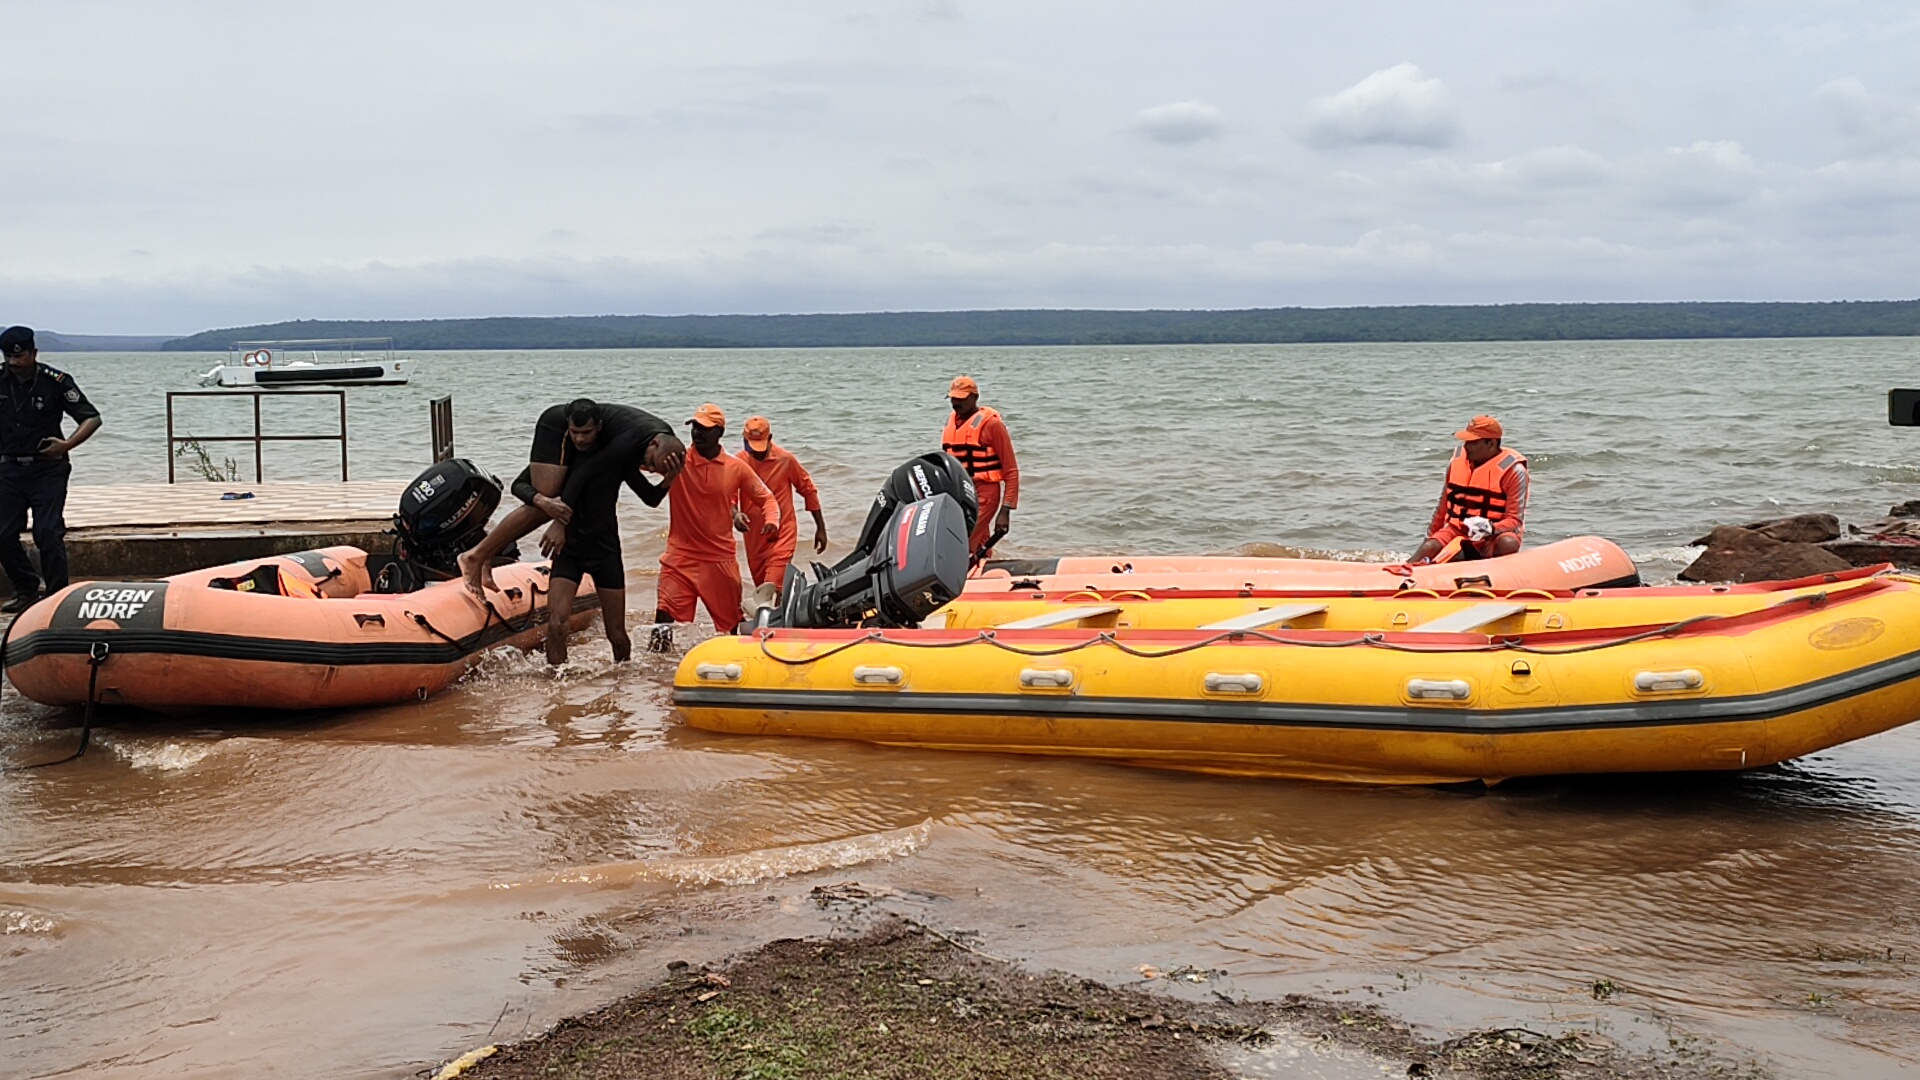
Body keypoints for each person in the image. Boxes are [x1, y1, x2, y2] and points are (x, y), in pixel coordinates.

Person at [460, 399, 684, 594]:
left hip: (586, 433)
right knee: (550, 499)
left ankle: (487, 555)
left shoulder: (655, 444)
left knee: (550, 501)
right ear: (653, 443)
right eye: (652, 464)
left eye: (655, 471)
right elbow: (584, 472)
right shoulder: (629, 442)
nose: (650, 469)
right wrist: (560, 523)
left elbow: (650, 499)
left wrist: (669, 479)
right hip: (558, 426)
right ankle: (475, 556)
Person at [514, 458, 669, 667]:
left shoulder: (616, 459)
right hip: (568, 550)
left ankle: (622, 683)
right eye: (575, 433)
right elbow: (519, 485)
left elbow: (650, 497)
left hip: (605, 553)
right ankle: (556, 688)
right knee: (557, 624)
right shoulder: (561, 462)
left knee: (616, 634)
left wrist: (670, 478)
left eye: (586, 433)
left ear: (598, 428)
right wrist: (542, 501)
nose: (580, 438)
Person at [650, 404, 778, 652]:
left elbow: (767, 498)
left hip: (719, 560)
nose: (697, 433)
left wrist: (771, 520)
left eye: (705, 429)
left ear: (719, 433)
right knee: (663, 625)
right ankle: (655, 684)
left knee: (731, 630)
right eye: (695, 426)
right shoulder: (678, 461)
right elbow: (641, 462)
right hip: (679, 557)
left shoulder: (735, 467)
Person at [0, 327, 102, 613]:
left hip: (48, 468)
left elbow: (92, 418)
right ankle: (27, 588)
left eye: (20, 357)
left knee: (47, 532)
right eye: (8, 357)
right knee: (3, 535)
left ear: (33, 353)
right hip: (9, 469)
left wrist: (67, 444)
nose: (14, 363)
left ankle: (57, 598)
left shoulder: (55, 381)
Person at [1411, 414, 1528, 564]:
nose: (1466, 446)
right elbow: (1442, 507)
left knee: (1508, 543)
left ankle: (1496, 575)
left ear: (1491, 444)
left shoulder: (1514, 471)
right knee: (1430, 546)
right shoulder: (1456, 463)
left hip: (1493, 535)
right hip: (1458, 529)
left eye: (1473, 442)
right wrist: (1430, 538)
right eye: (1466, 441)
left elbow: (1514, 520)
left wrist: (1491, 528)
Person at [738, 415, 826, 604]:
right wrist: (735, 514)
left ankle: (775, 626)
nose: (757, 453)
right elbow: (726, 496)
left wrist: (820, 527)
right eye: (753, 447)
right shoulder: (738, 463)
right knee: (763, 592)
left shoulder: (786, 460)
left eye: (761, 447)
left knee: (771, 586)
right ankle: (785, 621)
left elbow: (807, 489)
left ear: (770, 438)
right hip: (754, 538)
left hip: (783, 533)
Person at [940, 375, 1019, 558]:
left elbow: (1011, 471)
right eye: (953, 398)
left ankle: (956, 574)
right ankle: (983, 571)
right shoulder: (951, 422)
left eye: (961, 398)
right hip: (961, 491)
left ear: (974, 397)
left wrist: (1005, 510)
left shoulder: (992, 425)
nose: (956, 403)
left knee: (961, 538)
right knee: (979, 542)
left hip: (985, 492)